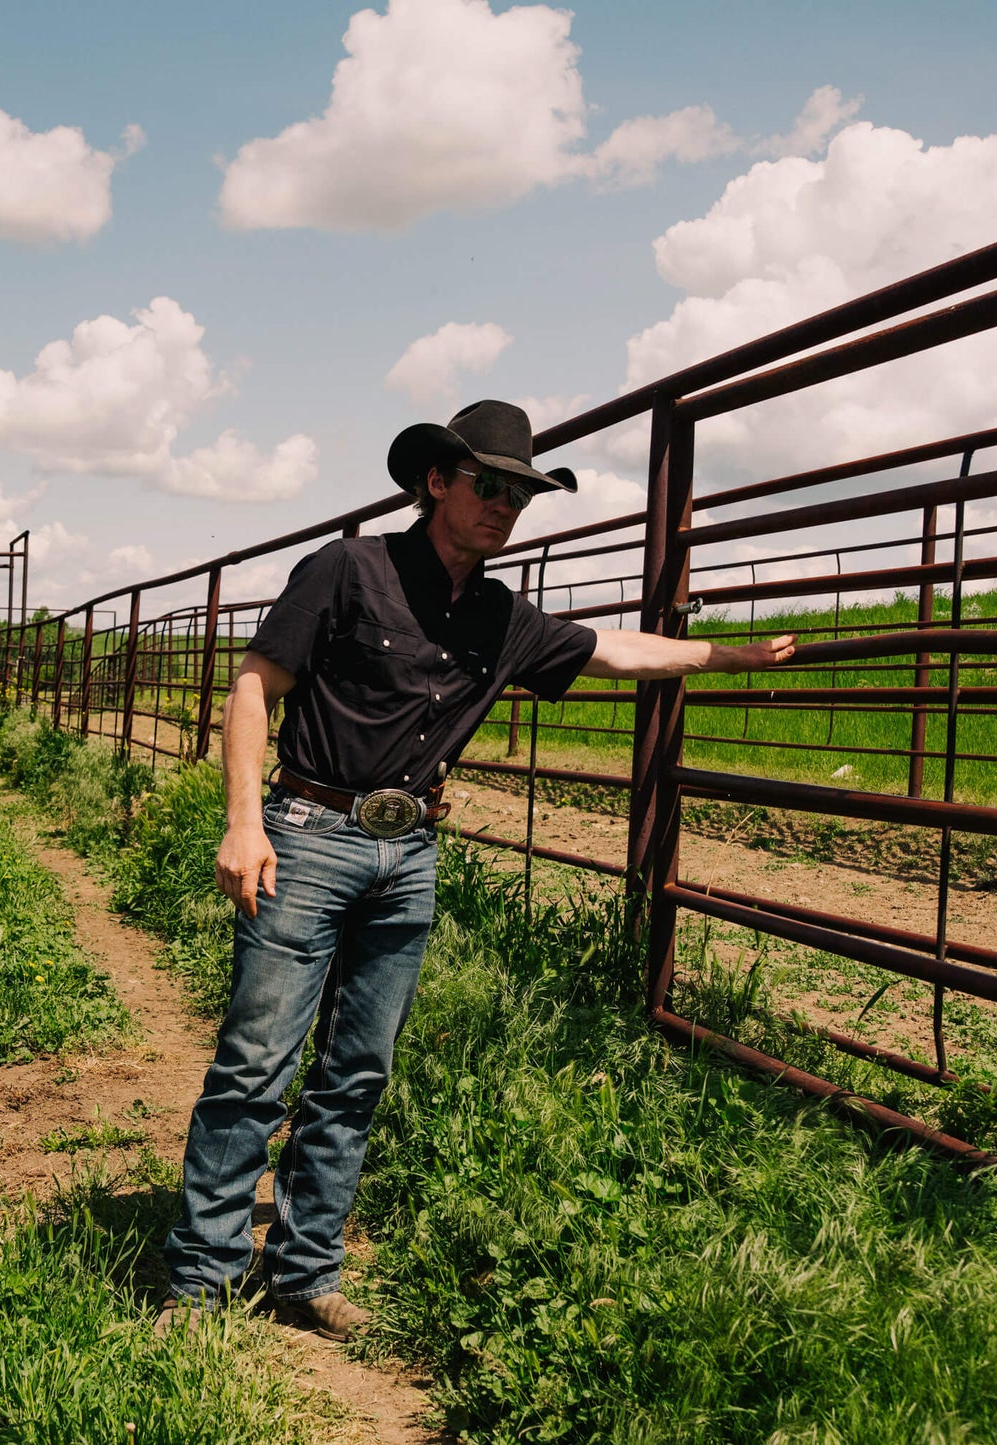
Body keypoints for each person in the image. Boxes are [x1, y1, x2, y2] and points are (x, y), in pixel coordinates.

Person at [157, 400, 794, 1341]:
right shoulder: (346, 569)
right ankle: (198, 1285)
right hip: (308, 832)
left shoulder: (501, 616)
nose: (505, 505)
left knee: (356, 1072)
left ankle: (305, 1272)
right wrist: (244, 822)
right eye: (488, 485)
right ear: (436, 483)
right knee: (256, 1062)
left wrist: (727, 653)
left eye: (522, 494)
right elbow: (255, 682)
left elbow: (612, 648)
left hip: (408, 853)